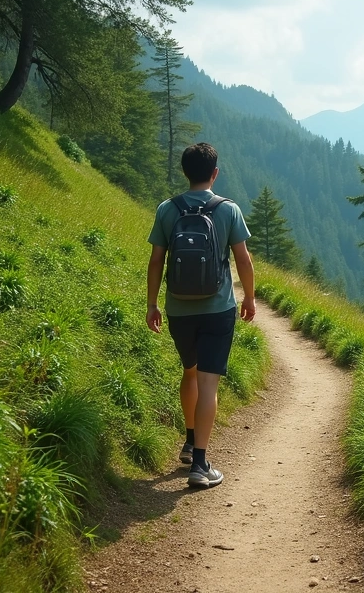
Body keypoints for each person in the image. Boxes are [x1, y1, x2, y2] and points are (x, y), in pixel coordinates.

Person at [145, 143, 256, 488]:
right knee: (209, 383)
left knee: (190, 373)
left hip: (179, 309)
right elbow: (243, 260)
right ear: (214, 173)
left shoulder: (167, 209)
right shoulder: (228, 210)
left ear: (185, 172)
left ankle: (190, 441)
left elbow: (156, 261)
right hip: (218, 309)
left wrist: (152, 304)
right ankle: (201, 465)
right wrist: (249, 297)